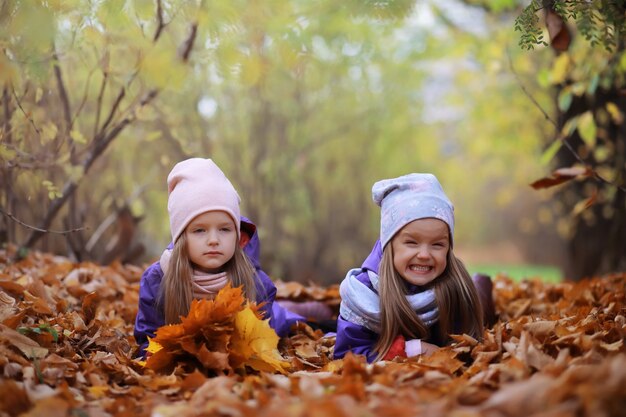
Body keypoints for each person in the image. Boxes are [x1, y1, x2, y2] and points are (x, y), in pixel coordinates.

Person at [134, 158, 299, 356]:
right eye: (200, 230)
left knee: (292, 319)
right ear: (181, 237)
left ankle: (311, 310)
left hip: (275, 322)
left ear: (238, 236)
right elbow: (149, 340)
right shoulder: (157, 281)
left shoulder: (256, 282)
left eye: (224, 229)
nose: (213, 240)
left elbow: (262, 342)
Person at [334, 173, 495, 362]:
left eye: (437, 245)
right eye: (411, 242)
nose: (425, 254)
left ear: (448, 248)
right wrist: (410, 349)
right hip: (390, 384)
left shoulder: (456, 285)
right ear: (389, 244)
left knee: (479, 291)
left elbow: (468, 346)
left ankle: (483, 284)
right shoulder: (363, 294)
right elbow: (347, 356)